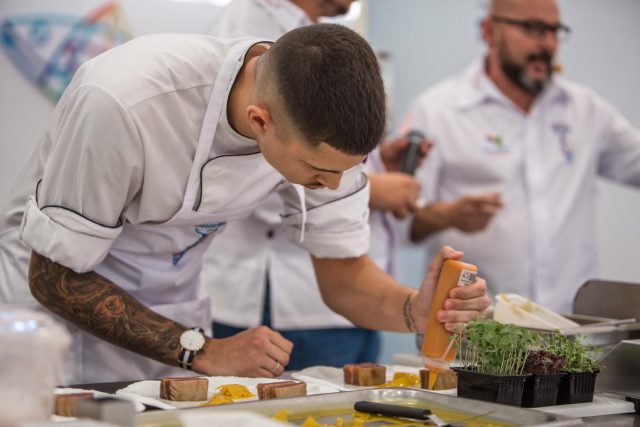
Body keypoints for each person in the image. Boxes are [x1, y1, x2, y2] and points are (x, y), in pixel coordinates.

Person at [0, 24, 489, 383]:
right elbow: (54, 276)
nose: (332, 185)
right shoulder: (125, 102)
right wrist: (202, 350)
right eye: (318, 172)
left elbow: (344, 277)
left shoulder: (322, 132)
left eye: (347, 169)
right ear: (260, 122)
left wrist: (414, 311)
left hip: (174, 319)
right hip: (48, 324)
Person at [206, 0, 426, 369]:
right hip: (281, 298)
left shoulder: (321, 35)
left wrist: (367, 167)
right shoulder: (247, 32)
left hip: (347, 289)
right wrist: (377, 189)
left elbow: (312, 145)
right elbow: (247, 173)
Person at [404, 0, 640, 314]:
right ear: (490, 31)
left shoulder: (584, 109)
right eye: (533, 29)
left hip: (568, 331)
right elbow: (403, 221)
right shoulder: (438, 111)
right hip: (474, 330)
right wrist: (449, 215)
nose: (548, 44)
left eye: (555, 31)